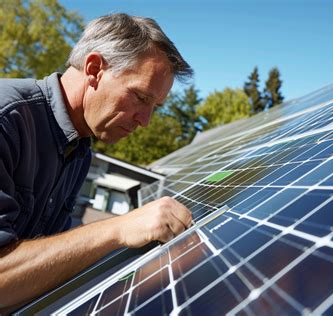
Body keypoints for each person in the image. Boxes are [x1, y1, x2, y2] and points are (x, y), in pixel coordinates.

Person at [0, 13, 194, 310]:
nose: (145, 121)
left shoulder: (79, 151)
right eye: (141, 98)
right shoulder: (8, 121)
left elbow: (52, 262)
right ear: (94, 69)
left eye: (155, 107)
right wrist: (117, 229)